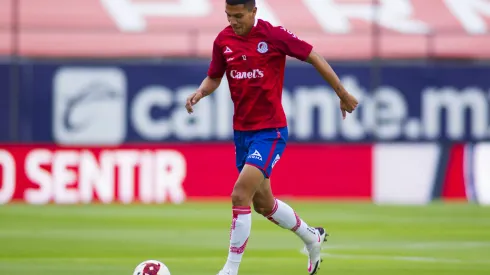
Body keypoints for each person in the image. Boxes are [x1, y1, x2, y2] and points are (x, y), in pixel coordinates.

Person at [185, 0, 359, 274]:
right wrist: (200, 92)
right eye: (229, 16)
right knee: (263, 204)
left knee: (240, 193)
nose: (233, 21)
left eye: (239, 16)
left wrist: (342, 92)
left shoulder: (274, 36)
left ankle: (230, 270)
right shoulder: (223, 40)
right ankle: (311, 237)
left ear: (254, 12)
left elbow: (313, 55)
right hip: (242, 134)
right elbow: (215, 77)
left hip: (271, 131)